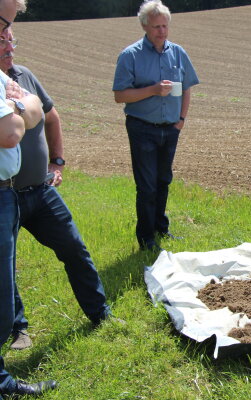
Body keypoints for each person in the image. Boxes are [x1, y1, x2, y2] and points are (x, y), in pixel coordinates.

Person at [0, 26, 117, 354]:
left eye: (12, 41)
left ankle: (99, 313)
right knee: (6, 269)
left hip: (40, 190)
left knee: (74, 248)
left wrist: (58, 162)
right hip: (4, 194)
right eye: (2, 41)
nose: (9, 47)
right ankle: (18, 330)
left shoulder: (24, 77)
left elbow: (52, 118)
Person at [0, 1, 58, 397]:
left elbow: (43, 113)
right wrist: (24, 106)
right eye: (3, 28)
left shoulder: (15, 77)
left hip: (12, 193)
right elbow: (12, 132)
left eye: (10, 30)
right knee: (2, 298)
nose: (9, 37)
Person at [113, 0, 199, 251]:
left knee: (163, 180)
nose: (161, 31)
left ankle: (161, 228)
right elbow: (120, 95)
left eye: (164, 26)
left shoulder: (178, 52)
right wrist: (152, 90)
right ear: (144, 27)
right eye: (156, 27)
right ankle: (146, 238)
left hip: (170, 128)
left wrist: (181, 120)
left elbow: (186, 88)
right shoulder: (130, 55)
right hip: (142, 128)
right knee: (147, 185)